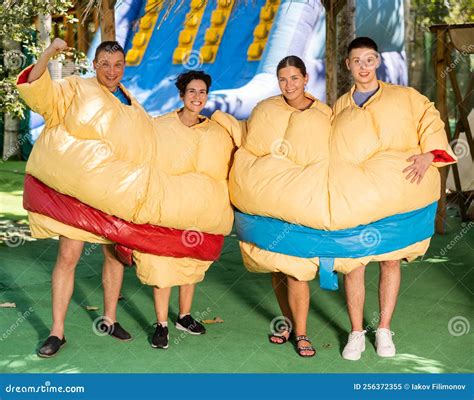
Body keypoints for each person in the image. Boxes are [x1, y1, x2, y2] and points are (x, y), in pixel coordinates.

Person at [16, 38, 155, 357]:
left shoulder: (132, 103)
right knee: (68, 256)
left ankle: (109, 318)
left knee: (114, 256)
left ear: (124, 67)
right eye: (104, 64)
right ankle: (57, 332)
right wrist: (49, 53)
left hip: (114, 195)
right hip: (79, 192)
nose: (111, 71)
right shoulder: (76, 87)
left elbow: (148, 143)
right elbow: (40, 93)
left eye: (117, 64)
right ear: (94, 65)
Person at [334, 37, 456, 361]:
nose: (363, 66)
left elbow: (430, 118)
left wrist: (430, 153)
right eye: (356, 60)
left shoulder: (406, 98)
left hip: (396, 193)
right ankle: (356, 331)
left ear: (377, 62)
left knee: (391, 259)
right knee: (354, 263)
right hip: (357, 197)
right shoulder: (339, 107)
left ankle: (384, 329)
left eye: (369, 60)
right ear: (348, 64)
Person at [214, 55, 333, 357]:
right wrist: (222, 122)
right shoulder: (266, 109)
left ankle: (303, 333)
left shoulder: (324, 115)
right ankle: (288, 324)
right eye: (283, 79)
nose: (289, 84)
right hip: (268, 203)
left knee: (297, 270)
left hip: (300, 203)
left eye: (294, 78)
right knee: (276, 267)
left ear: (306, 78)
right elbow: (250, 140)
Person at [143, 70, 234, 349]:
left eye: (202, 92)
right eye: (192, 92)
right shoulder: (160, 126)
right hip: (167, 208)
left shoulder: (215, 132)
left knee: (190, 263)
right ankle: (161, 324)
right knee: (161, 264)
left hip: (199, 211)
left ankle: (184, 316)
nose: (197, 97)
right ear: (181, 95)